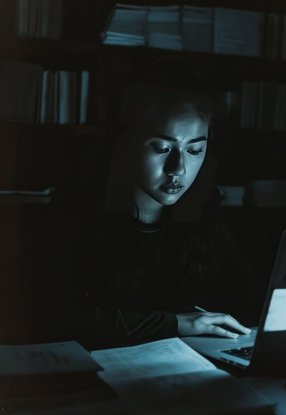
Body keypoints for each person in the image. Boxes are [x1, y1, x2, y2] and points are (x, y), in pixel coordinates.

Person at [80, 82, 262, 348]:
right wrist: (178, 323)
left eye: (195, 150)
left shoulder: (203, 213)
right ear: (128, 144)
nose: (178, 168)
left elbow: (250, 297)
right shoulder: (83, 215)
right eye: (162, 148)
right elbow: (62, 318)